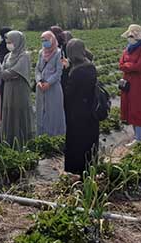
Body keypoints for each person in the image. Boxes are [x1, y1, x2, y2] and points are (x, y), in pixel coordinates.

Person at [63, 38, 99, 175]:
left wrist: (65, 71)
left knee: (77, 141)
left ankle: (78, 171)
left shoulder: (77, 71)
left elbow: (68, 91)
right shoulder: (89, 65)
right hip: (90, 109)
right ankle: (89, 169)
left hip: (77, 112)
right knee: (89, 141)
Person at [119, 24, 141, 144]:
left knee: (138, 108)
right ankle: (135, 136)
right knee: (129, 107)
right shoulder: (127, 49)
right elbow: (121, 64)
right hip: (127, 82)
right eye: (129, 36)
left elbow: (140, 66)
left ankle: (138, 138)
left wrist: (127, 66)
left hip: (138, 83)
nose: (130, 38)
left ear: (138, 37)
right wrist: (130, 66)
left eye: (132, 36)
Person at [1, 31, 33, 145]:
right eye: (7, 42)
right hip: (8, 88)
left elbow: (15, 72)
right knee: (10, 111)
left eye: (10, 42)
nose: (8, 45)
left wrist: (6, 74)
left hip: (20, 89)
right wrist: (6, 74)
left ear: (17, 42)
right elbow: (2, 71)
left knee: (19, 112)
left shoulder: (24, 56)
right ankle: (10, 140)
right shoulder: (7, 56)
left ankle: (22, 141)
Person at [35, 31, 66, 136]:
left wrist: (48, 83)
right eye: (42, 40)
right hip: (41, 87)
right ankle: (42, 134)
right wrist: (39, 81)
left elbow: (58, 72)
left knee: (53, 111)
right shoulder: (41, 52)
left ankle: (55, 135)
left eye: (46, 40)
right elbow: (38, 69)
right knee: (41, 110)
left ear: (52, 40)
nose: (44, 42)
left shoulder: (59, 53)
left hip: (53, 88)